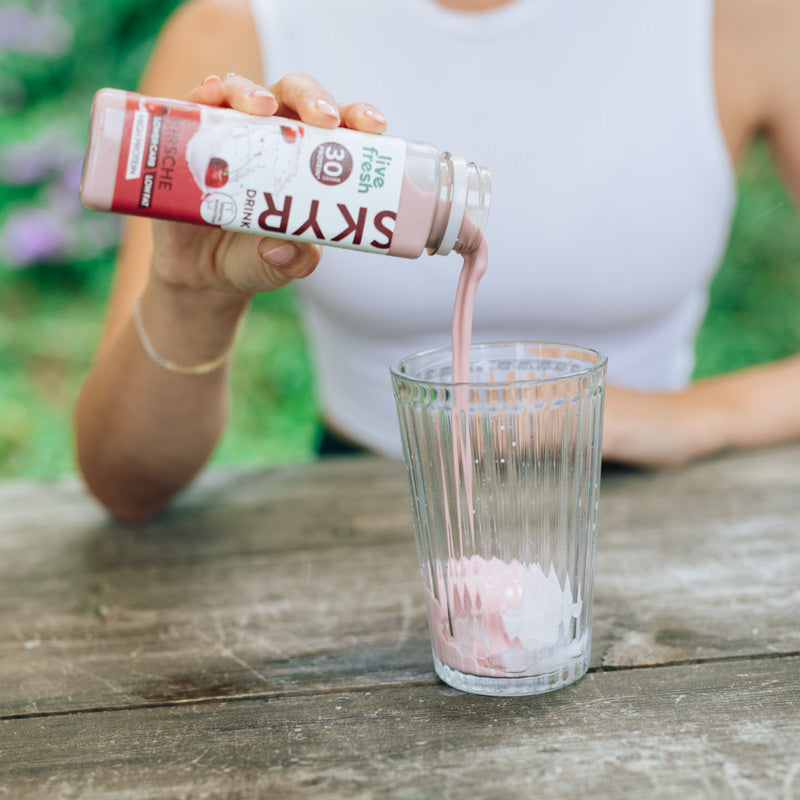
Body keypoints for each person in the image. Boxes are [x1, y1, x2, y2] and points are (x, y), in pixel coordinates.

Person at [74, 0, 800, 522]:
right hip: (357, 525)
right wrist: (190, 295)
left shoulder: (745, 18)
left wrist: (699, 416)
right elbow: (125, 481)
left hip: (666, 508)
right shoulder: (239, 27)